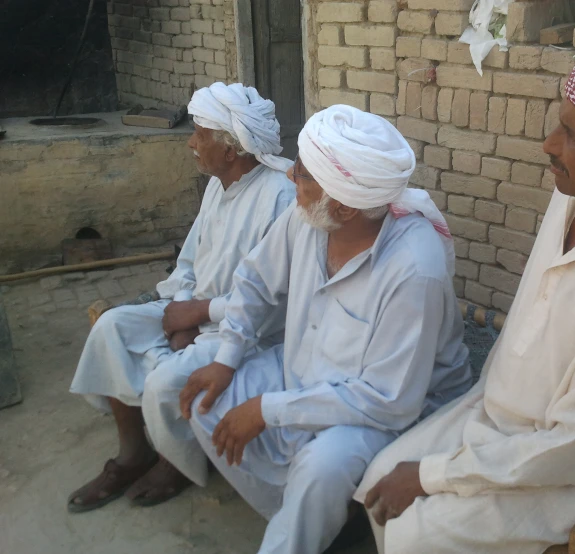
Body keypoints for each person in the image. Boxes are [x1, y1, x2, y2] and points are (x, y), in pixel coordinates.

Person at [354, 44, 575, 554]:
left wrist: (433, 476)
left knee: (415, 531)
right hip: (495, 416)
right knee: (379, 479)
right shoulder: (573, 191)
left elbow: (570, 447)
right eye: (559, 124)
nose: (549, 145)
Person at [177, 104, 472, 553]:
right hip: (304, 367)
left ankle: (299, 530)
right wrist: (226, 358)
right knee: (205, 400)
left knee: (320, 468)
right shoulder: (309, 218)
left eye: (305, 177)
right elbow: (254, 281)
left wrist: (268, 410)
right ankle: (304, 519)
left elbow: (389, 400)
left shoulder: (414, 269)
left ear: (347, 207)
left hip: (391, 407)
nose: (292, 180)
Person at [67, 83, 295, 512]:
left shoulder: (280, 197)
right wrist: (181, 311)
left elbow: (277, 298)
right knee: (112, 327)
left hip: (246, 330)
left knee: (165, 382)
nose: (191, 143)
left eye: (200, 134)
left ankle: (177, 464)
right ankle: (134, 455)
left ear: (231, 149)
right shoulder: (218, 184)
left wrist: (199, 313)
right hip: (197, 313)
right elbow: (190, 261)